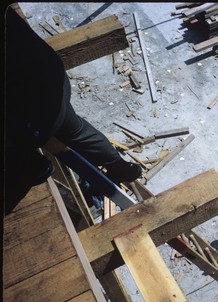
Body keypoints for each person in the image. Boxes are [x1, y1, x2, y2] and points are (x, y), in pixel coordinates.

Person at [4, 5, 142, 214]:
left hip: (30, 107)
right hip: (50, 76)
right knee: (72, 127)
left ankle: (29, 166)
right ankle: (119, 167)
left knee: (23, 140)